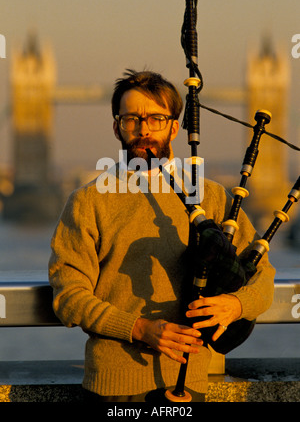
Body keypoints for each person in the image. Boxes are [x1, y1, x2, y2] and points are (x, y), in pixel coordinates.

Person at [48, 69, 275, 402]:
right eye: (131, 119)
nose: (143, 129)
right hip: (112, 390)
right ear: (116, 127)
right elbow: (68, 297)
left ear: (173, 126)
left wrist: (236, 304)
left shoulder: (212, 197)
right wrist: (139, 329)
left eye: (156, 118)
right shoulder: (88, 200)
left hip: (189, 387)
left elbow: (264, 276)